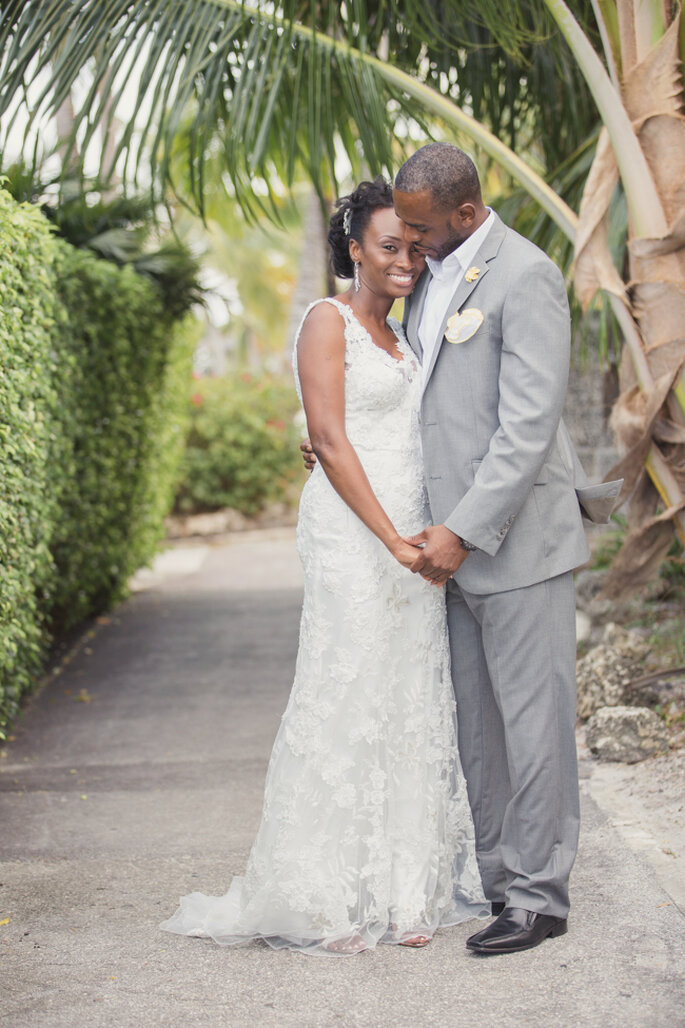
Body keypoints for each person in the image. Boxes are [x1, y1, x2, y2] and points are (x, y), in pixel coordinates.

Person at [303, 144, 621, 955]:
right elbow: (419, 402)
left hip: (510, 545)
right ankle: (495, 878)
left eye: (419, 229)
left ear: (466, 215)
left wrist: (459, 531)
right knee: (474, 729)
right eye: (397, 234)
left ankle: (539, 896)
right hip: (439, 558)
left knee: (532, 724)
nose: (408, 245)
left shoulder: (525, 276)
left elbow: (524, 428)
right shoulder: (435, 278)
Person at [160, 178, 489, 956]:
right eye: (389, 246)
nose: (406, 258)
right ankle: (327, 901)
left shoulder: (409, 333)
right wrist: (393, 542)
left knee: (410, 697)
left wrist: (422, 537)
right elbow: (332, 441)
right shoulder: (324, 320)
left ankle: (405, 891)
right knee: (345, 687)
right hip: (357, 534)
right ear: (353, 249)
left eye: (414, 246)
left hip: (412, 534)